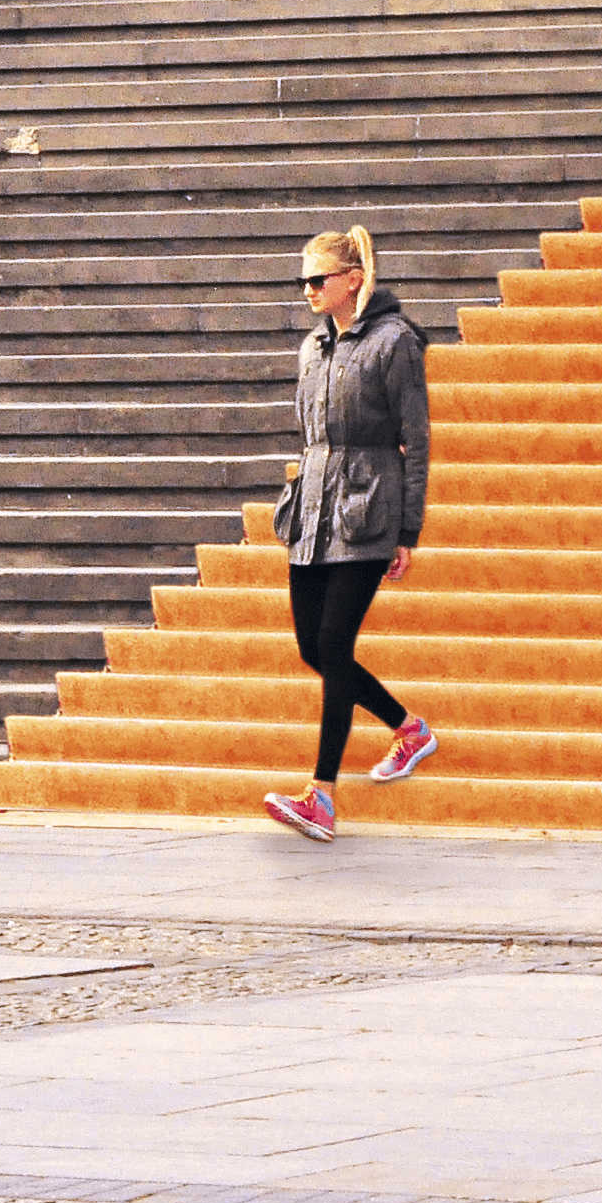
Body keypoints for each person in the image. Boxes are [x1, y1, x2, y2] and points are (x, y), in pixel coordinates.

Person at [261, 225, 437, 839]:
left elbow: (415, 443)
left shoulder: (395, 343)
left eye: (320, 278)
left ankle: (321, 795)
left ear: (354, 279)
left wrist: (407, 530)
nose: (309, 289)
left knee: (334, 644)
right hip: (311, 509)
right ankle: (408, 727)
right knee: (314, 648)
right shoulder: (312, 347)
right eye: (305, 280)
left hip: (368, 509)